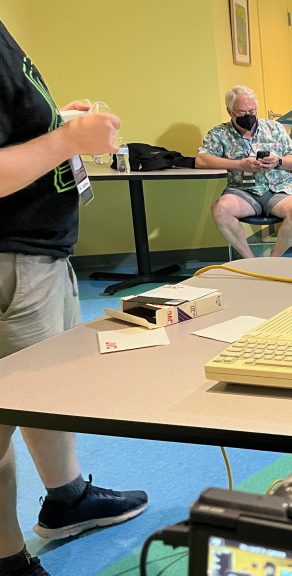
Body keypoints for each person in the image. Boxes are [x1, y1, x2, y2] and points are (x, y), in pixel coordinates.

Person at [0, 19, 149, 576]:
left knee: (44, 392)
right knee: (8, 409)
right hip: (12, 261)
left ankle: (67, 497)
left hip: (34, 255)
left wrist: (55, 123)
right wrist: (66, 141)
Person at [196, 86, 292, 258]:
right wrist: (240, 165)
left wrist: (277, 161)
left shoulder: (274, 128)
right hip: (242, 191)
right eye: (242, 112)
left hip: (278, 190)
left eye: (252, 110)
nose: (248, 115)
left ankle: (273, 260)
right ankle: (250, 261)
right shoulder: (220, 133)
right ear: (230, 111)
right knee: (220, 209)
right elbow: (201, 160)